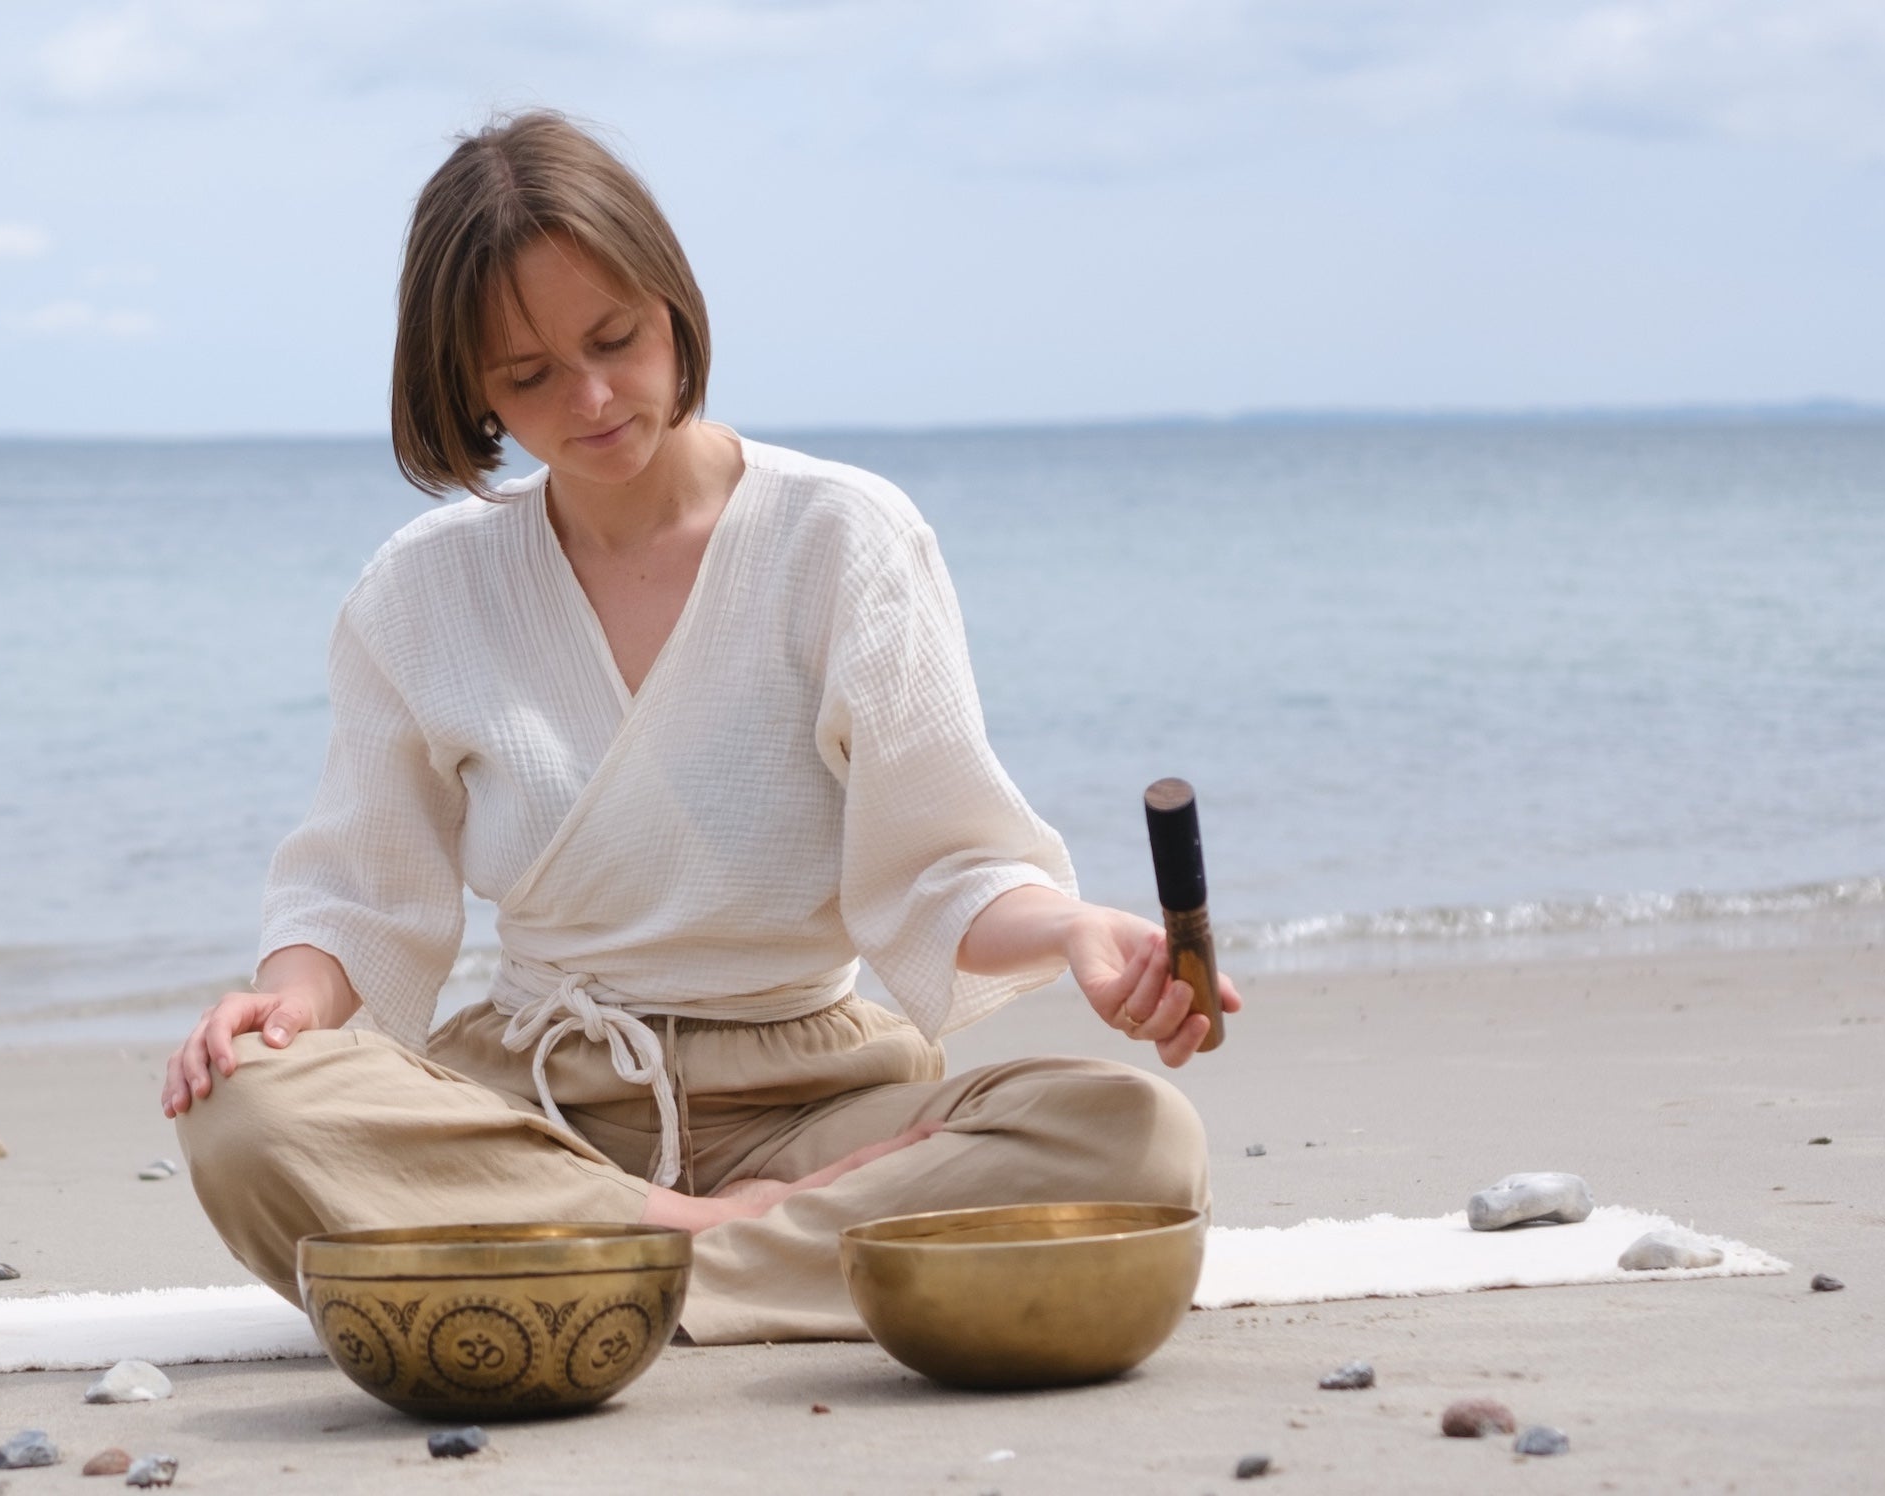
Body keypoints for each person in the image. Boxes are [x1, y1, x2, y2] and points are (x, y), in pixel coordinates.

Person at [162, 110, 1229, 1344]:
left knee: (1140, 1138)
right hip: (536, 1095)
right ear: (465, 388)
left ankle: (600, 1262)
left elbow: (945, 865)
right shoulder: (423, 589)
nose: (595, 395)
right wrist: (280, 1007)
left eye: (615, 337)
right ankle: (728, 1245)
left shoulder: (843, 537)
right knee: (244, 1110)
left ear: (672, 302)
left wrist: (1084, 926)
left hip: (814, 1104)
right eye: (530, 376)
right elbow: (359, 893)